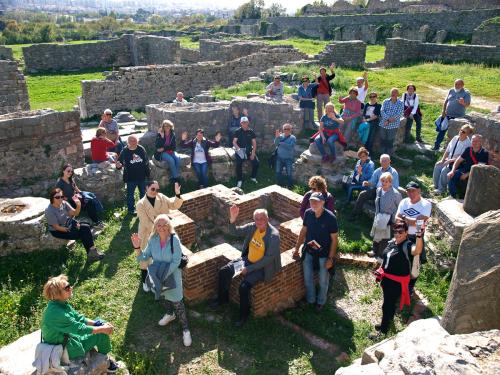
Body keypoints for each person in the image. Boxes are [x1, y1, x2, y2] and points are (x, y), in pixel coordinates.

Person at [210, 206, 281, 327]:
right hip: (247, 260)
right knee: (224, 271)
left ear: (267, 218)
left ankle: (244, 315)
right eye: (256, 219)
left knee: (244, 287)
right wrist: (232, 219)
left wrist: (249, 269)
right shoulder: (253, 227)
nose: (259, 221)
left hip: (261, 268)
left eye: (262, 219)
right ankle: (223, 299)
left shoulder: (273, 236)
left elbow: (268, 259)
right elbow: (234, 231)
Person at [131, 215, 192, 346]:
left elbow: (176, 261)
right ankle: (170, 314)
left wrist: (163, 275)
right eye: (159, 225)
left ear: (169, 226)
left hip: (172, 276)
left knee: (177, 302)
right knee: (163, 297)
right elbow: (144, 257)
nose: (162, 228)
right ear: (155, 227)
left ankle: (186, 329)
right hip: (158, 277)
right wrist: (137, 248)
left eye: (165, 225)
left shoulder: (174, 240)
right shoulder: (152, 239)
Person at [41, 275, 118, 372]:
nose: (71, 288)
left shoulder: (58, 304)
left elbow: (78, 318)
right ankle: (106, 362)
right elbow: (80, 329)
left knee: (100, 322)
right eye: (67, 288)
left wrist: (98, 324)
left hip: (67, 336)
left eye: (69, 285)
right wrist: (103, 329)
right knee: (101, 334)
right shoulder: (59, 314)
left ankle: (102, 354)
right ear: (57, 294)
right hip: (66, 348)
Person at [373, 221, 423, 335]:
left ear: (406, 233)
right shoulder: (392, 243)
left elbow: (417, 250)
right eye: (395, 231)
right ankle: (388, 321)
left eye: (400, 231)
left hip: (396, 283)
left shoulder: (408, 245)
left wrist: (419, 235)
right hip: (386, 280)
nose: (397, 234)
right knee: (390, 304)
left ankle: (383, 330)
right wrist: (380, 269)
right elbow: (387, 258)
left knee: (386, 306)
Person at [293, 192, 339, 311]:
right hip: (309, 250)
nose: (313, 203)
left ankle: (321, 301)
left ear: (323, 202)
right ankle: (311, 299)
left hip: (324, 254)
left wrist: (330, 258)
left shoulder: (330, 218)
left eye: (317, 201)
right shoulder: (308, 213)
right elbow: (303, 231)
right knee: (307, 278)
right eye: (311, 201)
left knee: (323, 280)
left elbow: (334, 240)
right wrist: (297, 248)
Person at [136, 181, 183, 292]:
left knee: (162, 256)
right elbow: (146, 222)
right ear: (146, 188)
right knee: (145, 260)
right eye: (152, 189)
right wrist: (161, 228)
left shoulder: (161, 197)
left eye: (157, 190)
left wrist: (177, 194)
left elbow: (174, 205)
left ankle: (159, 280)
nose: (155, 192)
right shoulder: (140, 204)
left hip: (163, 232)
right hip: (147, 233)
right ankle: (144, 281)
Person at [45, 188, 104, 262]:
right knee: (83, 232)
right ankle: (92, 254)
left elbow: (75, 213)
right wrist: (70, 229)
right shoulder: (49, 210)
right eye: (57, 197)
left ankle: (92, 253)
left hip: (68, 224)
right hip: (58, 231)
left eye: (62, 197)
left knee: (85, 226)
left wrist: (78, 204)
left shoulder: (64, 203)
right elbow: (56, 227)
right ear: (52, 198)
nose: (60, 199)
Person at [396, 181, 432, 296]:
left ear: (419, 191)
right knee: (400, 260)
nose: (411, 193)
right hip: (402, 234)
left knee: (415, 263)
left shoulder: (426, 204)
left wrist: (405, 218)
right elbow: (397, 218)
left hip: (416, 237)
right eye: (408, 191)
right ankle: (399, 282)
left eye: (413, 190)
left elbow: (420, 222)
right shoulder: (404, 201)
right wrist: (410, 221)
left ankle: (410, 287)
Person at [56, 164, 104, 228]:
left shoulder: (71, 179)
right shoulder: (60, 183)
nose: (70, 173)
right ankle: (96, 222)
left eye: (71, 171)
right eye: (68, 171)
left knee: (90, 199)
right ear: (63, 171)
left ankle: (96, 221)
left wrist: (83, 194)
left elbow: (77, 190)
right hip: (69, 202)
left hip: (75, 198)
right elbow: (58, 196)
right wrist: (68, 198)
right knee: (89, 203)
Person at [368, 172, 402, 259]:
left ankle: (381, 255)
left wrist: (393, 219)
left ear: (390, 182)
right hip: (379, 217)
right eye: (382, 181)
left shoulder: (396, 194)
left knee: (384, 239)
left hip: (389, 220)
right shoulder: (378, 190)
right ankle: (374, 251)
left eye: (386, 181)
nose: (384, 183)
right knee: (377, 235)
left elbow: (400, 208)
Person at [432, 124, 473, 195]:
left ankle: (441, 189)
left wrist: (449, 161)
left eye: (463, 132)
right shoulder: (455, 138)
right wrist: (442, 160)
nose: (461, 132)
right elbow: (447, 150)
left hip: (457, 164)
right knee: (438, 165)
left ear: (467, 134)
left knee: (444, 171)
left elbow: (461, 157)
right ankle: (436, 185)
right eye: (461, 130)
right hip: (449, 160)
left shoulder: (468, 144)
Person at [116, 135, 150, 216]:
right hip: (130, 178)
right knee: (130, 195)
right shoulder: (124, 151)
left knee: (143, 193)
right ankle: (131, 210)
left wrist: (147, 172)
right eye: (131, 141)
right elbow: (119, 163)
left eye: (135, 141)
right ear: (128, 142)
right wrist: (118, 166)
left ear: (137, 141)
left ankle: (143, 208)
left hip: (142, 176)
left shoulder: (141, 149)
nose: (133, 142)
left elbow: (146, 160)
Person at [433, 79, 471, 151]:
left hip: (458, 117)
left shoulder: (466, 93)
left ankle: (449, 150)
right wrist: (443, 111)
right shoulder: (451, 90)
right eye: (455, 84)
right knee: (442, 131)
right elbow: (446, 101)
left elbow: (467, 104)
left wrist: (463, 103)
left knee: (454, 134)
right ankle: (436, 146)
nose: (457, 86)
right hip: (447, 115)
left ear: (463, 85)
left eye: (459, 84)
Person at [447, 134, 489, 198]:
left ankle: (465, 197)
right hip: (465, 169)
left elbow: (479, 168)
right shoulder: (468, 149)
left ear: (481, 142)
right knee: (452, 175)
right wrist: (452, 171)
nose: (474, 143)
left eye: (476, 141)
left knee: (469, 180)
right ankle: (453, 195)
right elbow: (458, 160)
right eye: (473, 140)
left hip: (477, 173)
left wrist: (467, 174)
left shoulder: (484, 153)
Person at [233, 116, 259, 188]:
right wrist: (239, 150)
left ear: (248, 123)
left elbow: (254, 143)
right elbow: (234, 142)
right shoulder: (237, 131)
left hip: (248, 150)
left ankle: (253, 177)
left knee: (256, 162)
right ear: (241, 123)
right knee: (238, 164)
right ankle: (239, 180)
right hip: (240, 150)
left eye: (246, 122)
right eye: (243, 123)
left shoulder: (251, 131)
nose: (244, 124)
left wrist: (253, 153)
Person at [379, 88, 404, 155]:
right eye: (392, 92)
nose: (393, 93)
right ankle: (382, 153)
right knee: (382, 138)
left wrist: (389, 121)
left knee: (390, 139)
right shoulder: (385, 101)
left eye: (395, 92)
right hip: (383, 123)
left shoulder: (400, 103)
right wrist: (387, 119)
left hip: (393, 125)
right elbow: (382, 111)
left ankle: (389, 154)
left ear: (398, 94)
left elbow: (399, 114)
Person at [274, 123, 296, 188]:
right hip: (279, 158)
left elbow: (290, 147)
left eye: (288, 129)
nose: (286, 130)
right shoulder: (280, 136)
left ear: (290, 130)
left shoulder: (293, 138)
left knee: (289, 173)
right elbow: (275, 143)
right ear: (283, 130)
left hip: (288, 158)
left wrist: (281, 143)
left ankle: (289, 186)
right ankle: (279, 185)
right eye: (285, 129)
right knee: (278, 172)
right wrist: (277, 137)